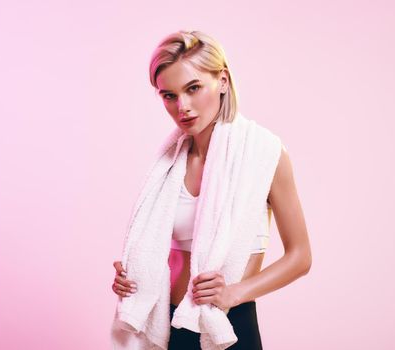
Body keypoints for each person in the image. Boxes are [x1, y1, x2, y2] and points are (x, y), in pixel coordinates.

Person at [111, 30, 311, 349]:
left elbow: (301, 257)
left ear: (222, 81)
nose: (183, 107)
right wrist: (134, 277)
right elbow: (159, 252)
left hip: (230, 324)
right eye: (169, 95)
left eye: (193, 88)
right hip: (170, 327)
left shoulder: (264, 153)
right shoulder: (168, 165)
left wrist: (235, 293)